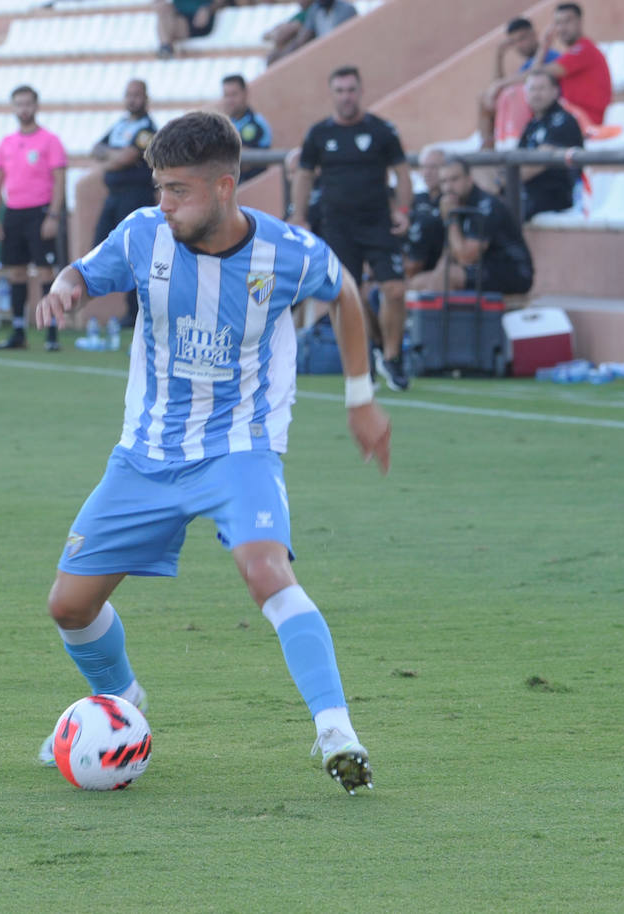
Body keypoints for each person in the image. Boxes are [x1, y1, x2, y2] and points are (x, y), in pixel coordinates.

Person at [30, 110, 391, 796]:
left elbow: (344, 292)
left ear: (225, 187)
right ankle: (124, 698)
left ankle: (335, 730)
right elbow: (84, 271)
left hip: (239, 450)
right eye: (158, 187)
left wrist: (360, 396)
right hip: (145, 454)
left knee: (266, 572)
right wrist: (66, 287)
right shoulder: (144, 234)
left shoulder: (287, 252)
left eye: (177, 191)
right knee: (69, 608)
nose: (163, 203)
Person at [293, 65, 413, 391]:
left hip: (378, 224)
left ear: (360, 92)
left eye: (351, 90)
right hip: (338, 227)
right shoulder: (319, 134)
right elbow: (304, 175)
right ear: (332, 94)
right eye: (340, 91)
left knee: (395, 290)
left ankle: (391, 357)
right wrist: (299, 215)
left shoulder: (382, 131)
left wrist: (403, 210)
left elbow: (402, 173)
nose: (346, 97)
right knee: (348, 297)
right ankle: (365, 359)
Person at [0, 85, 68, 352]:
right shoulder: (6, 144)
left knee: (46, 271)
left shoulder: (49, 141)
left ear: (36, 106)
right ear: (13, 108)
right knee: (16, 272)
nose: (24, 109)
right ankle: (18, 330)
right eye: (19, 104)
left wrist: (53, 215)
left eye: (28, 104)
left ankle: (52, 332)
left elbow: (60, 181)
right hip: (14, 212)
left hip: (40, 212)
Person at [409, 158, 533, 296]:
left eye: (454, 179)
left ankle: (446, 317)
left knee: (448, 277)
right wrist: (435, 277)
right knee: (417, 282)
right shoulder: (453, 203)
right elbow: (448, 252)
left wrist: (452, 219)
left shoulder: (485, 206)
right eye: (444, 182)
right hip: (479, 269)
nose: (448, 187)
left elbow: (466, 257)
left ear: (469, 179)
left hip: (512, 271)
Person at [91, 79, 158, 325]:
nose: (132, 99)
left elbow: (127, 157)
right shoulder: (121, 126)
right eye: (129, 94)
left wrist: (110, 159)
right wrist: (114, 157)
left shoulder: (147, 129)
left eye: (137, 95)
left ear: (146, 98)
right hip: (114, 196)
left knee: (135, 252)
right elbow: (96, 148)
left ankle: (136, 312)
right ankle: (129, 309)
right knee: (105, 245)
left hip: (136, 196)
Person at [478, 17, 560, 150]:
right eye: (514, 42)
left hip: (546, 111)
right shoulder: (525, 65)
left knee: (514, 93)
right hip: (530, 113)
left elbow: (532, 76)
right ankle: (486, 150)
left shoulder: (551, 57)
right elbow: (496, 92)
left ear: (534, 34)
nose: (519, 45)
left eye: (522, 39)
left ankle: (511, 146)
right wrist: (499, 56)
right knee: (484, 97)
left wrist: (499, 84)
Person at [531, 2, 612, 130]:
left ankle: (510, 141)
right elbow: (534, 76)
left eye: (567, 21)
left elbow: (536, 74)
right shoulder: (573, 51)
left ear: (580, 22)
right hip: (570, 117)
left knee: (522, 93)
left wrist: (543, 46)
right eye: (558, 23)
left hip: (586, 119)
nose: (562, 28)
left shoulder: (584, 49)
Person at [517, 70, 585, 220]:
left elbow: (541, 160)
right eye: (532, 89)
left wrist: (504, 180)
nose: (536, 94)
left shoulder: (564, 120)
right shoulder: (531, 124)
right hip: (529, 192)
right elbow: (518, 158)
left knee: (504, 210)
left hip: (556, 195)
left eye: (541, 88)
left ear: (555, 92)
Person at [269, 0, 358, 65]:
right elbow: (303, 38)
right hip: (323, 55)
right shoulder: (315, 10)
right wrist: (281, 57)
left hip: (344, 54)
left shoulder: (347, 10)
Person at [404, 147, 447, 279]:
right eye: (423, 167)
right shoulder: (416, 199)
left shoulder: (455, 200)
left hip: (438, 270)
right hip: (410, 264)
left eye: (433, 167)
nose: (427, 172)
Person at [221, 74, 273, 182]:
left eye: (234, 94)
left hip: (253, 187)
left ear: (245, 93)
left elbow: (245, 161)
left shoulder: (257, 123)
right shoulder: (222, 125)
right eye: (226, 95)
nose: (230, 100)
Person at [156, 0, 225, 58]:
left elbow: (221, 2)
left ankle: (167, 48)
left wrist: (208, 9)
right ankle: (166, 47)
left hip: (200, 21)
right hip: (178, 17)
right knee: (164, 11)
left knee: (167, 23)